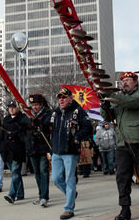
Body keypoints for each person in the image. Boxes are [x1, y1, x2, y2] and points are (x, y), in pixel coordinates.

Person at [100, 72, 139, 220]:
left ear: (135, 83)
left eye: (127, 80)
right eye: (122, 80)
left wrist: (111, 96)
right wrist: (104, 105)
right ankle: (125, 210)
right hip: (122, 144)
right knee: (122, 178)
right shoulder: (118, 98)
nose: (124, 83)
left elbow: (131, 102)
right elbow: (107, 117)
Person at [50, 88, 93, 219]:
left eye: (64, 97)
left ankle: (69, 208)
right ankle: (72, 194)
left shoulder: (78, 111)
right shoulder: (55, 113)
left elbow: (88, 127)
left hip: (70, 152)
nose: (61, 99)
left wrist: (77, 137)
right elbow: (46, 126)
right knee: (56, 179)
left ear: (70, 98)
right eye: (59, 97)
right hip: (56, 152)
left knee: (70, 179)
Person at [23, 94, 52, 207]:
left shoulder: (48, 114)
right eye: (33, 105)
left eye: (37, 105)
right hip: (32, 148)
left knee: (43, 171)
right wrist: (26, 140)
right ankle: (41, 195)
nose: (34, 107)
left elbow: (49, 128)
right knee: (37, 173)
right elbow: (23, 130)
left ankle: (44, 196)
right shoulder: (28, 115)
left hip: (44, 147)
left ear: (42, 104)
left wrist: (40, 126)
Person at [1, 100, 27, 203]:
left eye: (13, 107)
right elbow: (2, 134)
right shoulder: (6, 119)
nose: (11, 109)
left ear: (18, 108)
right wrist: (1, 147)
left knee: (16, 172)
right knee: (15, 173)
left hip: (18, 149)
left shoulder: (23, 118)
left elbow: (24, 133)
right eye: (10, 107)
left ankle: (12, 194)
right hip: (7, 150)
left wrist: (15, 133)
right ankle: (20, 193)